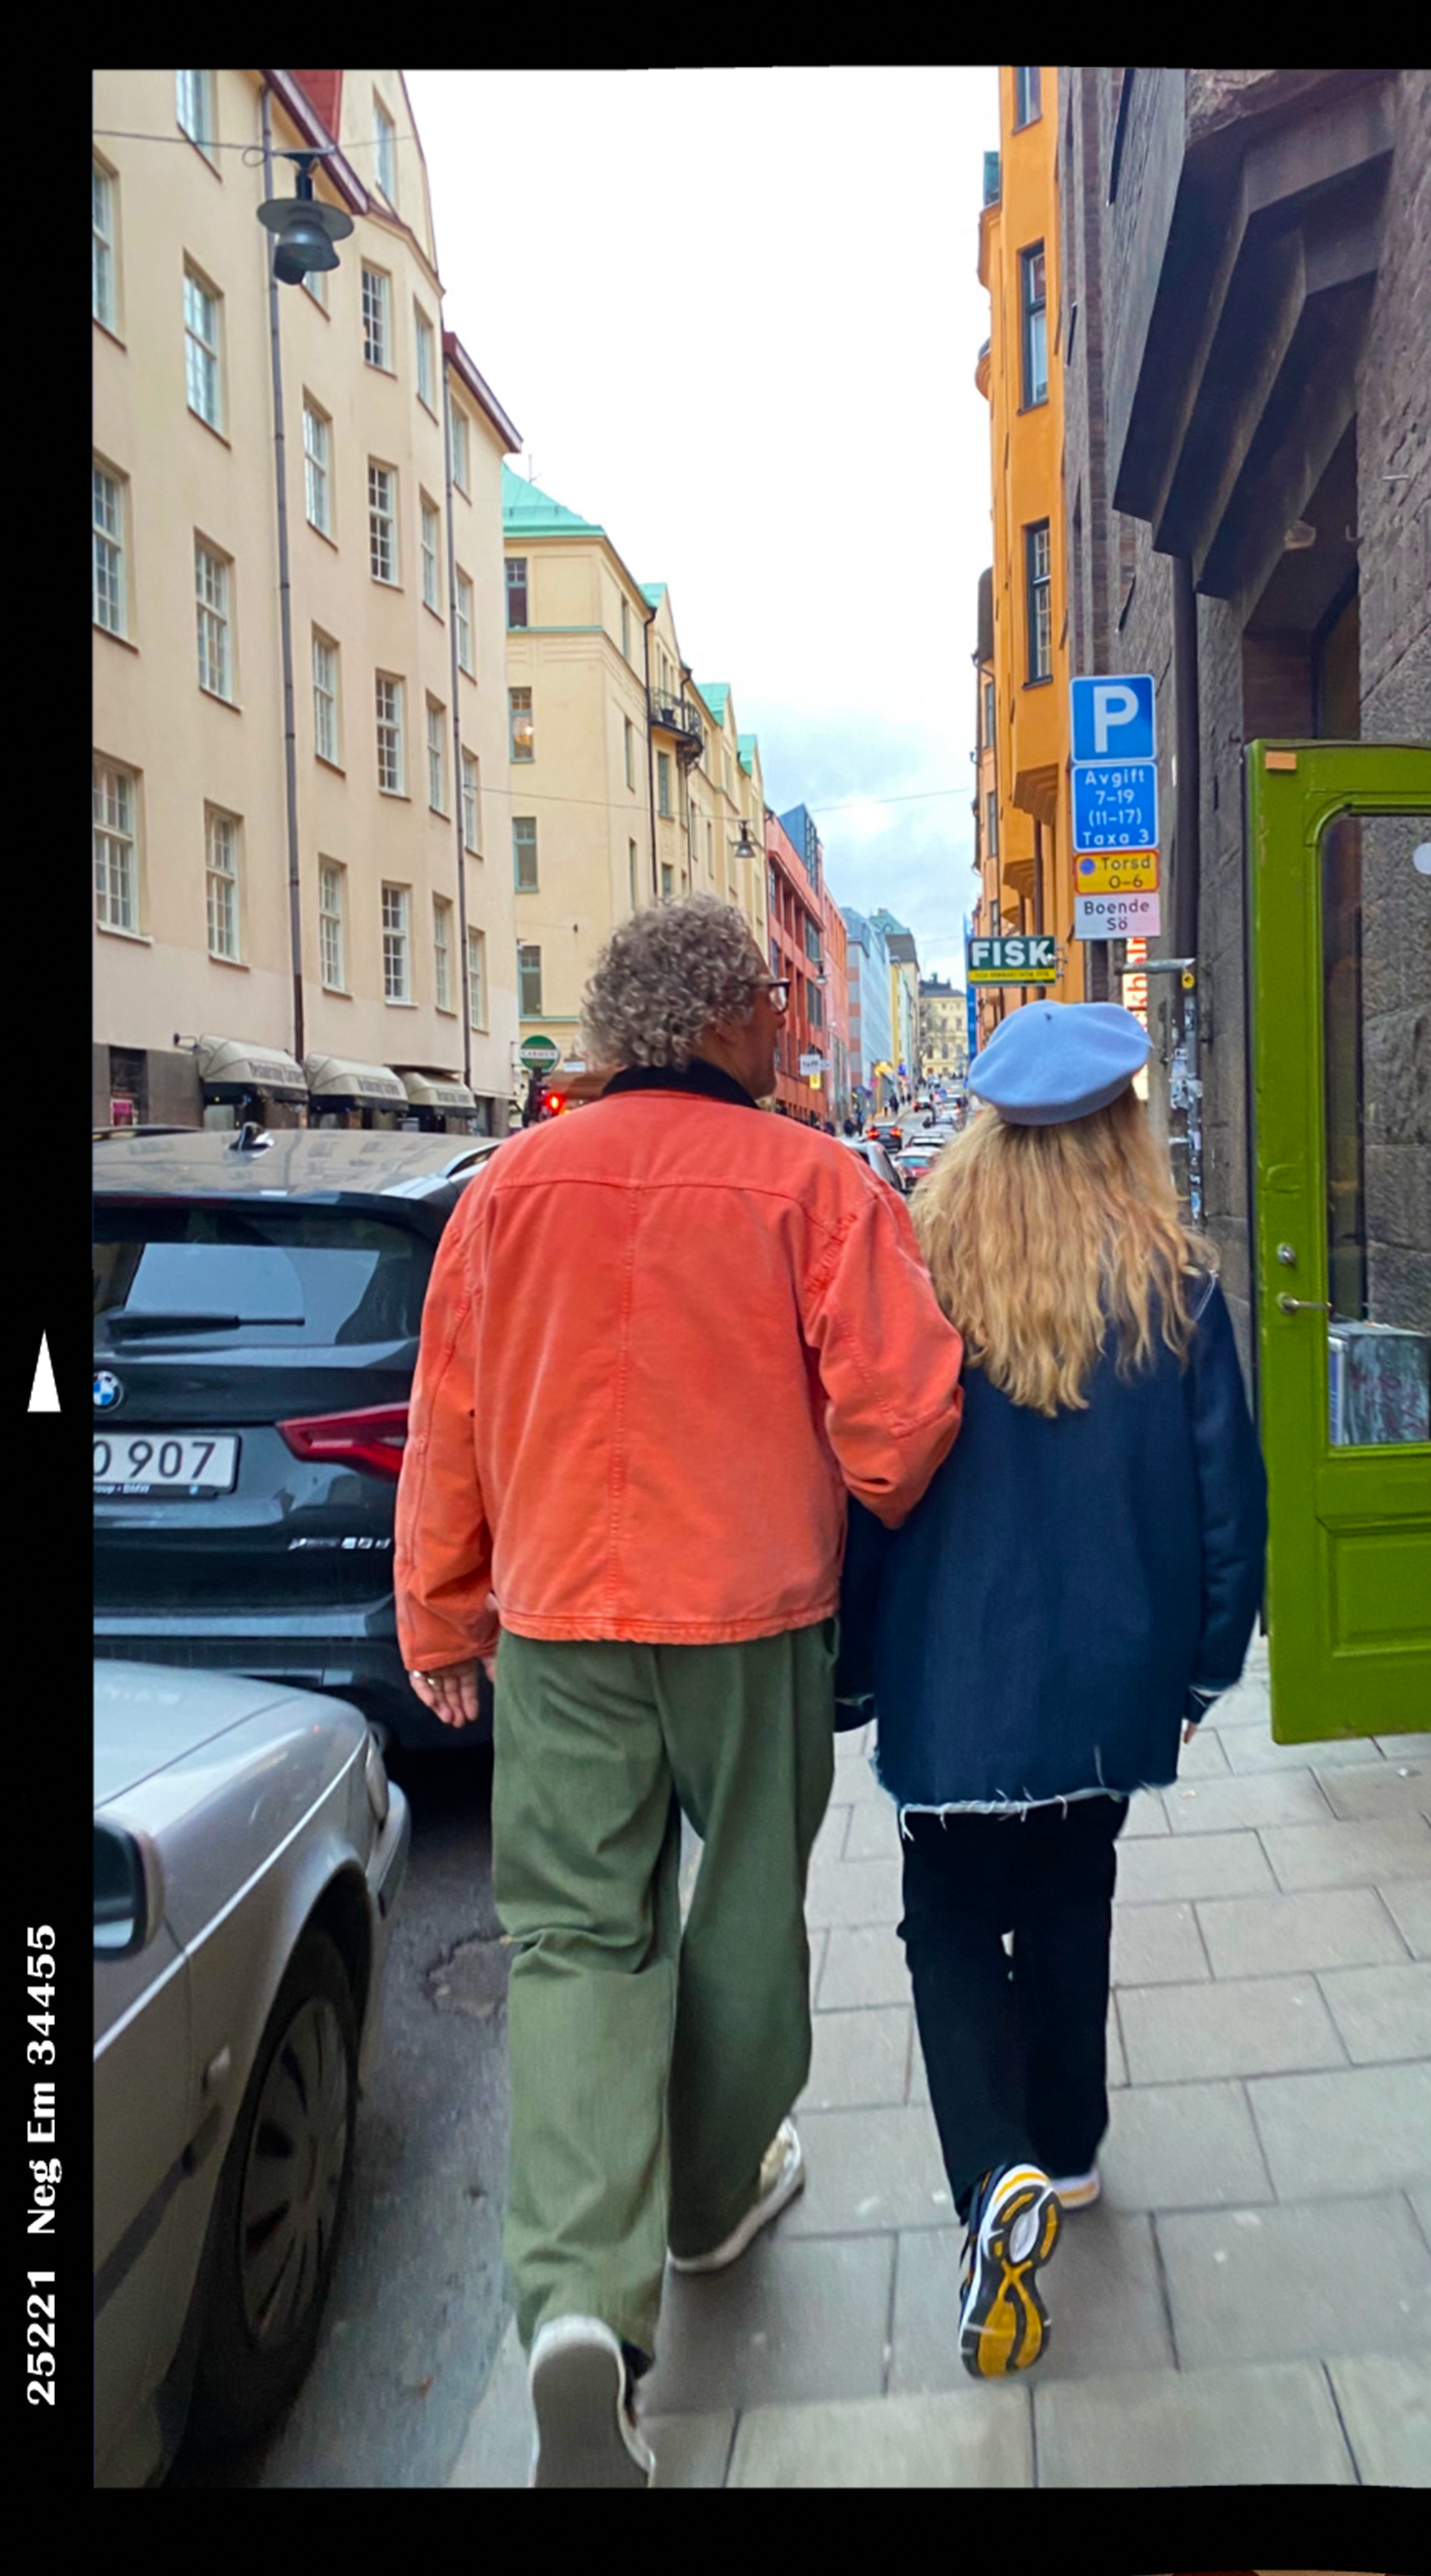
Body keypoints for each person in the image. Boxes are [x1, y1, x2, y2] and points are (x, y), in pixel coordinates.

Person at [394, 895, 964, 2486]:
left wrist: (443, 1613)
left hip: (563, 1614)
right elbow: (904, 1422)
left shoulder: (505, 1192)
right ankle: (714, 2199)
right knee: (741, 1914)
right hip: (753, 1610)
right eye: (780, 1008)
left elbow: (448, 1418)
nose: (794, 1031)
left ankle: (582, 2307)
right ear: (733, 1024)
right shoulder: (815, 1183)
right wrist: (868, 1493)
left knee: (577, 1935)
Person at [836, 1001, 1266, 2382]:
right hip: (1112, 1670)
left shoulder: (919, 1274)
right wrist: (1208, 1659)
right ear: (1122, 1131)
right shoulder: (1176, 1287)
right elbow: (1227, 1506)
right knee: (1075, 1892)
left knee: (948, 1919)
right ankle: (1068, 2151)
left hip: (950, 1675)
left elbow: (860, 1476)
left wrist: (849, 1662)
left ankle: (992, 2178)